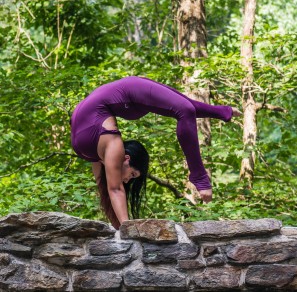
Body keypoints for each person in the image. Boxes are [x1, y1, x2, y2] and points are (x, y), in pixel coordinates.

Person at [70, 76, 241, 229]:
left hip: (99, 109)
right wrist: (126, 230)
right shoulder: (112, 144)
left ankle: (222, 112)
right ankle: (200, 177)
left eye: (132, 175)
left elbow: (109, 191)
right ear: (126, 158)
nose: (129, 179)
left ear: (126, 158)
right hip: (119, 95)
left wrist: (120, 228)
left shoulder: (97, 153)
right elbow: (114, 190)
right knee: (185, 109)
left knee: (185, 107)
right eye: (133, 174)